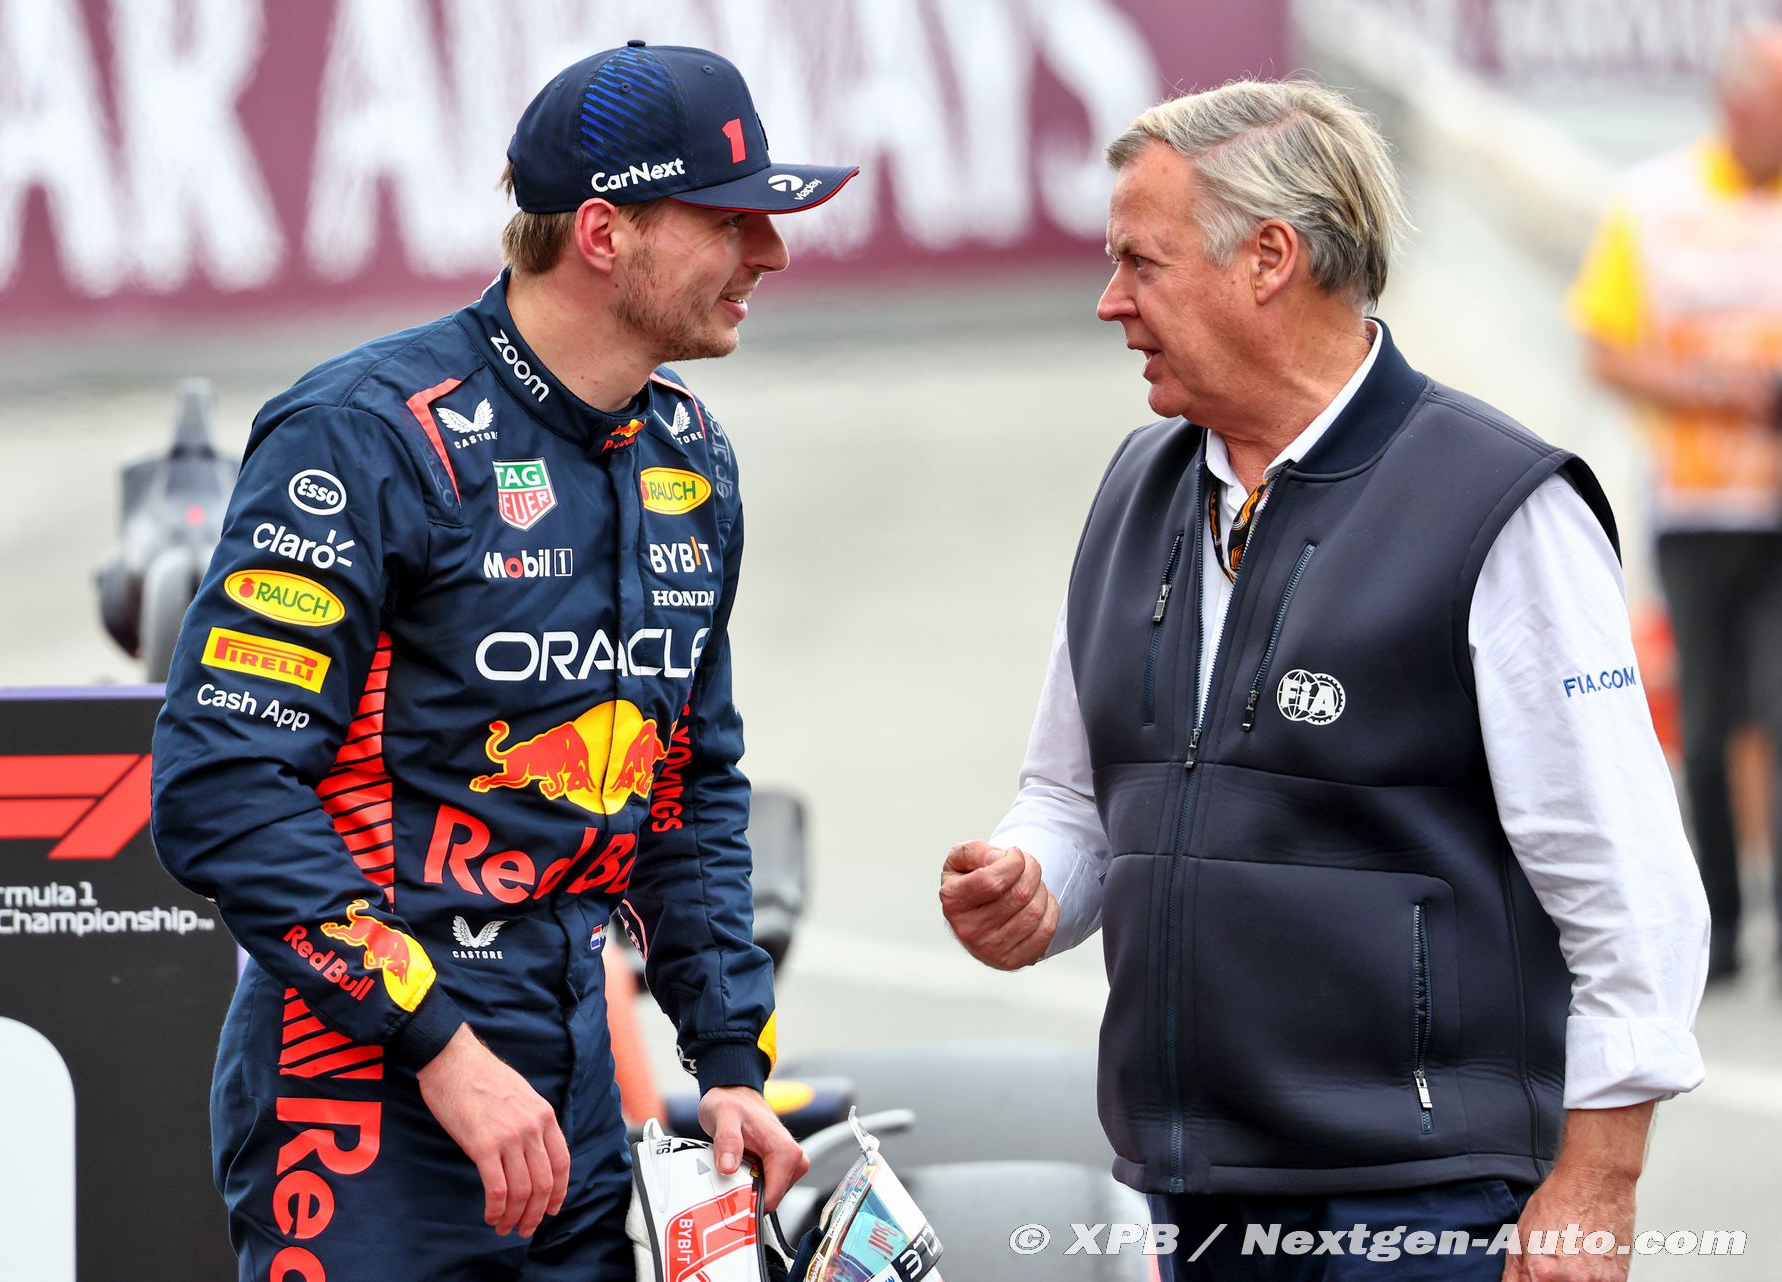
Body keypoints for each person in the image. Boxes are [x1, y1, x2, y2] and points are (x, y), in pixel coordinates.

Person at [939, 79, 1709, 1279]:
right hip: (1196, 1193)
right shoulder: (1135, 490)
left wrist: (1598, 1182)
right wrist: (1030, 880)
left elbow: (1628, 885)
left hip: (1424, 1203)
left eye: (1141, 262)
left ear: (1269, 258)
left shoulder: (1499, 505)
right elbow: (1074, 798)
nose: (1110, 300)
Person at [150, 41, 857, 1281]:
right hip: (361, 1097)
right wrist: (439, 1045)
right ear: (603, 232)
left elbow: (684, 788)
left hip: (572, 1090)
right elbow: (222, 785)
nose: (771, 253)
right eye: (729, 220)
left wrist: (729, 1060)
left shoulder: (688, 458)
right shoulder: (364, 435)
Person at [1568, 26, 1782, 983]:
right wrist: (1710, 391)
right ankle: (1721, 927)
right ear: (1735, 105)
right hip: (1694, 506)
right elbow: (1604, 348)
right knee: (1707, 714)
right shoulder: (1653, 201)